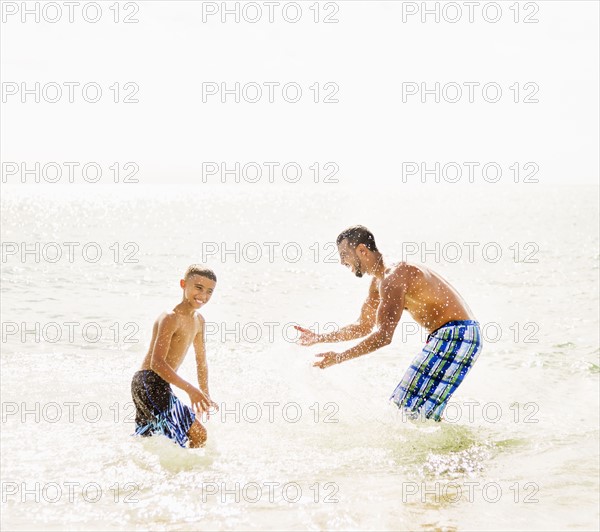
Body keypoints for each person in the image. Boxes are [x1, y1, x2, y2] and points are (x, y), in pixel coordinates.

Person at [295, 225, 482, 421]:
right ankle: (448, 448)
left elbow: (384, 336)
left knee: (410, 411)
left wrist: (340, 357)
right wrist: (320, 338)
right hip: (447, 337)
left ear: (362, 250)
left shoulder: (394, 277)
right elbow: (363, 326)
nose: (341, 261)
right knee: (408, 410)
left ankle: (454, 450)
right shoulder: (378, 284)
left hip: (458, 335)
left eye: (344, 254)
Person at [131, 264, 218, 447]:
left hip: (159, 384)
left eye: (209, 291)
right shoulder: (170, 318)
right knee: (189, 437)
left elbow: (201, 361)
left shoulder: (199, 322)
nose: (203, 295)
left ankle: (171, 473)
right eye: (198, 288)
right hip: (149, 382)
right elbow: (157, 363)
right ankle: (184, 473)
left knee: (162, 440)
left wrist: (205, 395)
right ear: (183, 284)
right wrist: (191, 390)